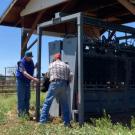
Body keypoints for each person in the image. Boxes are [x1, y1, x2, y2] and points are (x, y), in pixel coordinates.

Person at [40, 53, 72, 127]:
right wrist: (67, 83)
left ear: (55, 58)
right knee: (65, 104)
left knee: (47, 103)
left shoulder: (51, 65)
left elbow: (48, 76)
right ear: (60, 58)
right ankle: (67, 123)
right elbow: (70, 76)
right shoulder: (66, 65)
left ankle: (42, 122)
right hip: (64, 84)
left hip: (54, 83)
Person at [16, 51, 39, 117]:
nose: (30, 58)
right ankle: (21, 114)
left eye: (31, 57)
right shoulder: (20, 63)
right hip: (21, 81)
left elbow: (30, 69)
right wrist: (34, 79)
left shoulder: (31, 61)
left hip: (27, 82)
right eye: (29, 57)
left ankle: (26, 113)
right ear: (25, 56)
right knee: (21, 97)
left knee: (27, 97)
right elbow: (25, 73)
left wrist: (35, 66)